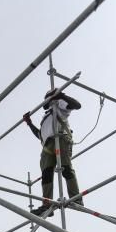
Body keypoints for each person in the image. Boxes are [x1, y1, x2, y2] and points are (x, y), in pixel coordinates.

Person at [24, 89, 82, 217]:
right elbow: (40, 135)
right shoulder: (46, 116)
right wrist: (29, 123)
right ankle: (47, 204)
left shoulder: (60, 104)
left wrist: (61, 96)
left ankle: (76, 198)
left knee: (66, 168)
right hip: (47, 145)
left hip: (60, 139)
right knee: (46, 174)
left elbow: (77, 105)